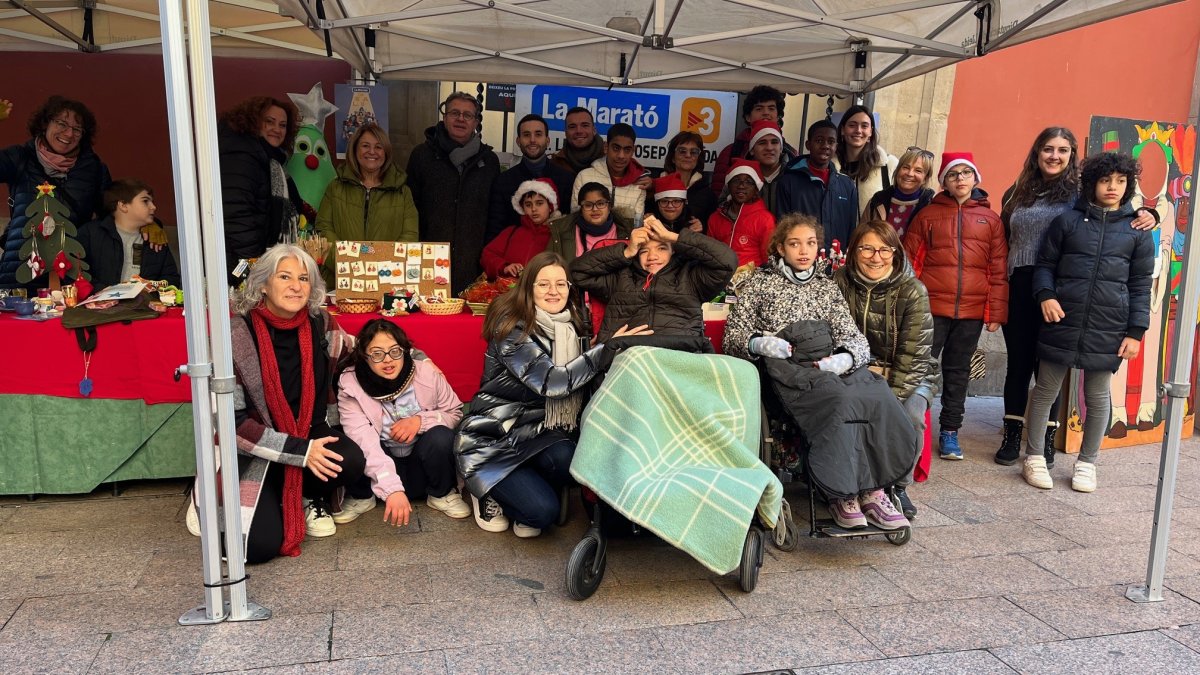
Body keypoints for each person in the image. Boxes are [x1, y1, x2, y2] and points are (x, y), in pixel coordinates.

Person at [724, 214, 915, 531]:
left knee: (877, 393)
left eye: (811, 243)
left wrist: (844, 358)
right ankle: (842, 494)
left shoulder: (826, 288)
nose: (804, 250)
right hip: (788, 370)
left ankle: (873, 489)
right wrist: (759, 343)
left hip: (828, 363)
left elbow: (853, 338)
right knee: (837, 398)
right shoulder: (758, 284)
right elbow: (733, 337)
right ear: (781, 247)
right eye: (795, 243)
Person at [454, 252, 652, 537]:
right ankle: (485, 490)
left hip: (541, 432)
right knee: (541, 514)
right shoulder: (511, 328)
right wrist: (607, 349)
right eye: (543, 284)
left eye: (561, 284)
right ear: (528, 288)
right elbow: (552, 382)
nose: (553, 291)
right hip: (496, 436)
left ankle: (523, 489)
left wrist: (601, 347)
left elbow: (579, 366)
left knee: (571, 459)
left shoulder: (570, 323)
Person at [995, 128, 1157, 467]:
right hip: (1023, 282)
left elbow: (1115, 216)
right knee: (1019, 363)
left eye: (1063, 150)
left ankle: (1047, 440)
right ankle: (1012, 433)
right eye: (1048, 149)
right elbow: (1001, 235)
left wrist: (1149, 215)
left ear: (1072, 156)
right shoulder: (1017, 191)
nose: (1054, 155)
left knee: (1049, 368)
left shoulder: (1078, 195)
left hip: (1062, 287)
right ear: (1036, 152)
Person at [227, 244, 365, 563]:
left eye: (304, 278)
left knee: (352, 461)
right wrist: (301, 453)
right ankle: (270, 490)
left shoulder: (320, 322)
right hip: (258, 446)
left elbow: (362, 349)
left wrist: (417, 359)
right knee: (257, 548)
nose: (296, 286)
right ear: (263, 283)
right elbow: (232, 425)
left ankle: (306, 494)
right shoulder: (238, 333)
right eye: (285, 276)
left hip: (311, 430)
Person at [903, 152, 1008, 460]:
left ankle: (950, 430)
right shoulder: (927, 216)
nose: (960, 179)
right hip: (931, 308)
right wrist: (911, 304)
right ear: (943, 182)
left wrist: (995, 312)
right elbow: (910, 263)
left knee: (958, 371)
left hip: (971, 312)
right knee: (921, 368)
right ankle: (914, 424)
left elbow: (997, 268)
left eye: (966, 173)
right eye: (953, 174)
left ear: (975, 178)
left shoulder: (990, 220)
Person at [835, 220, 939, 519]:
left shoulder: (912, 291)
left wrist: (890, 397)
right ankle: (849, 482)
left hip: (908, 371)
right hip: (857, 368)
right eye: (867, 248)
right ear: (854, 251)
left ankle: (899, 485)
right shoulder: (839, 282)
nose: (875, 257)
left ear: (896, 252)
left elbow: (914, 355)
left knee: (910, 415)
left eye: (884, 249)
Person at [335, 319, 470, 527]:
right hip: (379, 465)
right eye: (377, 353)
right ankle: (362, 497)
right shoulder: (351, 383)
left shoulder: (425, 372)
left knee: (441, 436)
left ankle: (441, 493)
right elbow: (363, 439)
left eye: (395, 351)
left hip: (420, 465)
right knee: (350, 444)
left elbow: (454, 413)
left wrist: (420, 421)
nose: (388, 361)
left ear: (406, 350)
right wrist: (392, 489)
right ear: (364, 355)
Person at [1, 96, 112, 289]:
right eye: (61, 123)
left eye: (77, 129)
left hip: (72, 277)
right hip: (19, 273)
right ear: (45, 124)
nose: (69, 134)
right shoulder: (19, 157)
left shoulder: (93, 168)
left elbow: (114, 213)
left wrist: (150, 226)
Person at [570, 215, 738, 341]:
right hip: (629, 354)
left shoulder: (691, 276)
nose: (652, 256)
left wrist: (673, 237)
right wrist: (626, 252)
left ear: (673, 250)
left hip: (679, 357)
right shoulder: (622, 276)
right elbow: (578, 271)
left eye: (661, 248)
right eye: (643, 251)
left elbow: (727, 261)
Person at [406, 92, 500, 293]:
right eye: (454, 113)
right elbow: (410, 208)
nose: (460, 119)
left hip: (474, 264)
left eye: (467, 115)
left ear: (475, 122)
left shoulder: (490, 161)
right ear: (444, 117)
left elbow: (493, 213)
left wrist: (488, 255)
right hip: (427, 261)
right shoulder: (421, 156)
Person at [316, 123, 418, 288]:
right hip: (339, 281)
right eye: (365, 146)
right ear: (355, 150)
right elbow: (323, 229)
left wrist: (382, 267)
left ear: (386, 152)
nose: (372, 152)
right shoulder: (336, 187)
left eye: (378, 147)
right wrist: (346, 264)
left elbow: (410, 236)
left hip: (388, 282)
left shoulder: (403, 192)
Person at [218, 96, 304, 286]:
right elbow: (236, 213)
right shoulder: (241, 156)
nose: (277, 129)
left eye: (282, 125)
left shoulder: (270, 160)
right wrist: (252, 265)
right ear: (253, 122)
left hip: (255, 259)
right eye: (269, 122)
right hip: (238, 262)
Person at [485, 114, 574, 244]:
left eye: (538, 134)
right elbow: (495, 229)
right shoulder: (503, 181)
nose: (532, 140)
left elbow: (569, 229)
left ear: (547, 140)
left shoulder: (566, 179)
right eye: (526, 135)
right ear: (518, 141)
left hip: (553, 257)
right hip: (515, 258)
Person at [77, 179, 181, 288]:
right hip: (101, 303)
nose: (153, 207)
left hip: (145, 303)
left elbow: (171, 278)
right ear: (123, 205)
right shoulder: (90, 233)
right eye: (145, 201)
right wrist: (107, 293)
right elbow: (77, 273)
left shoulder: (155, 237)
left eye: (152, 201)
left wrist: (151, 288)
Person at [774, 120, 859, 249]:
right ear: (808, 145)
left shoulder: (847, 185)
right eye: (819, 140)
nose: (825, 146)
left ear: (836, 146)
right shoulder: (789, 181)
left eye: (831, 142)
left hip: (836, 262)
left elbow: (851, 229)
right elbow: (782, 226)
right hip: (801, 261)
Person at [711, 86, 798, 197]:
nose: (766, 113)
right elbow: (719, 197)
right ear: (748, 117)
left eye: (771, 108)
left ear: (778, 116)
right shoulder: (730, 152)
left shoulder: (791, 153)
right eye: (759, 109)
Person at [481, 178, 561, 279]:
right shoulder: (511, 232)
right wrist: (504, 266)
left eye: (539, 203)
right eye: (528, 204)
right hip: (507, 292)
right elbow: (487, 255)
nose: (533, 209)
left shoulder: (558, 235)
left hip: (540, 292)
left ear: (550, 207)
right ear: (522, 208)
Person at [571, 123, 652, 223]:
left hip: (624, 238)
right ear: (606, 147)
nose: (621, 156)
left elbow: (636, 225)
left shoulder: (639, 184)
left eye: (627, 150)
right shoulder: (584, 177)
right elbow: (574, 220)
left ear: (633, 151)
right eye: (616, 148)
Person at [545, 183, 634, 266]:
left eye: (600, 204)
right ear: (581, 209)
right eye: (588, 205)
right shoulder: (562, 231)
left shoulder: (627, 230)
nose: (595, 209)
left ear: (609, 206)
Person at [706, 159, 775, 267]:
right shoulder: (715, 218)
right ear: (728, 185)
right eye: (736, 180)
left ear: (756, 189)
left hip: (753, 281)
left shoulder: (765, 219)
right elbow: (709, 254)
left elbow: (768, 260)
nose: (741, 186)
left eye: (748, 182)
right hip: (719, 279)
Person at [836, 105, 899, 217]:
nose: (858, 130)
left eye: (864, 126)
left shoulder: (888, 165)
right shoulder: (830, 166)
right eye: (852, 125)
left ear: (871, 132)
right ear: (842, 130)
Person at [863, 146, 937, 236]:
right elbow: (861, 238)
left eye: (918, 170)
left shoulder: (931, 207)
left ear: (925, 178)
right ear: (897, 170)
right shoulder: (876, 202)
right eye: (906, 167)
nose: (910, 174)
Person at [659, 131, 717, 225]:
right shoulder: (656, 187)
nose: (688, 155)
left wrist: (702, 227)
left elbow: (712, 229)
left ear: (698, 158)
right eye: (682, 151)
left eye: (694, 152)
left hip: (693, 239)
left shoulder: (708, 195)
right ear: (673, 157)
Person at [744, 120, 792, 215]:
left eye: (774, 142)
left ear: (781, 148)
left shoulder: (794, 177)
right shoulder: (739, 177)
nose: (769, 148)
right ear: (752, 150)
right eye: (762, 143)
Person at [550, 106, 605, 177]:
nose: (579, 131)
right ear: (566, 132)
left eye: (585, 125)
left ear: (594, 130)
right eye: (572, 127)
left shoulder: (608, 159)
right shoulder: (555, 163)